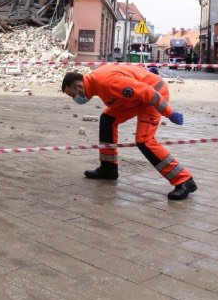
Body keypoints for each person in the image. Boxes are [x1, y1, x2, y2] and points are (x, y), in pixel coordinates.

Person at [61, 65, 197, 200]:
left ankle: (184, 180)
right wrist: (145, 73)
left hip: (154, 96)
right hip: (134, 100)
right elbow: (126, 72)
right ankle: (108, 169)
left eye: (73, 95)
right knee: (107, 120)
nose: (75, 99)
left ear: (79, 86)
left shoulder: (106, 82)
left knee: (144, 141)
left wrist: (169, 113)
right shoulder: (95, 81)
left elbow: (148, 92)